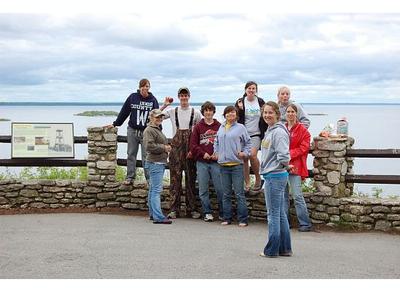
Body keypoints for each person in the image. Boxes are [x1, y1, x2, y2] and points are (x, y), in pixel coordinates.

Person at [107, 79, 167, 185]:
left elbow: (156, 117)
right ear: (139, 87)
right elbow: (124, 111)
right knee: (131, 154)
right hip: (133, 130)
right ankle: (130, 177)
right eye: (143, 86)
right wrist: (115, 123)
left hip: (146, 132)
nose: (145, 88)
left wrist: (159, 132)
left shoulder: (153, 100)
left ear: (149, 87)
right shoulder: (132, 97)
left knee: (147, 156)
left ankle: (149, 178)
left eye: (147, 86)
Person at [162, 87, 202, 219]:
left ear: (189, 97)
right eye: (182, 95)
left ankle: (192, 209)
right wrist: (164, 105)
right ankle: (174, 209)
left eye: (186, 95)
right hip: (176, 149)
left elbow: (202, 127)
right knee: (175, 179)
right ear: (178, 97)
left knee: (191, 179)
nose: (184, 98)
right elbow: (155, 115)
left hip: (190, 149)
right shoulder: (172, 111)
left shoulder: (195, 113)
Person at [259, 101, 292, 257]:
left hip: (275, 176)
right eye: (265, 112)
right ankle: (285, 248)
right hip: (274, 175)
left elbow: (284, 155)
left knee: (273, 214)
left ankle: (271, 250)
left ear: (277, 114)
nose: (267, 115)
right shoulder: (271, 130)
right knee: (280, 214)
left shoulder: (278, 132)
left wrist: (285, 165)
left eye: (270, 112)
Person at [214, 106, 252, 227]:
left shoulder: (241, 128)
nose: (230, 114)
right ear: (224, 114)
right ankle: (227, 218)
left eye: (233, 112)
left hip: (236, 165)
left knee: (239, 193)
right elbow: (217, 142)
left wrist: (244, 153)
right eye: (228, 112)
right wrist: (217, 152)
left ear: (236, 114)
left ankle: (243, 219)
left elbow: (248, 143)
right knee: (226, 194)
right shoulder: (221, 127)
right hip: (223, 165)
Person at [190, 101, 223, 222]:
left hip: (215, 162)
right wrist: (203, 153)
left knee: (220, 189)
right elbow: (193, 145)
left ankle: (222, 212)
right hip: (202, 162)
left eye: (210, 110)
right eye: (206, 110)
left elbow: (223, 143)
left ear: (214, 112)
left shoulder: (219, 126)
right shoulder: (198, 127)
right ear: (203, 112)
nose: (208, 113)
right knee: (203, 189)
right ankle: (207, 212)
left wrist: (217, 154)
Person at [285, 104, 313, 232]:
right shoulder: (282, 128)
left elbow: (304, 148)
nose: (290, 114)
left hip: (296, 166)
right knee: (283, 195)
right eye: (288, 111)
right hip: (281, 166)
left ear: (296, 114)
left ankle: (305, 223)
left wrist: (287, 154)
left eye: (292, 112)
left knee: (297, 196)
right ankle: (285, 222)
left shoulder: (303, 131)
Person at [235, 81, 267, 192]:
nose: (251, 90)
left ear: (256, 90)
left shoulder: (261, 101)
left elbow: (266, 115)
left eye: (253, 88)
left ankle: (258, 179)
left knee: (253, 155)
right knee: (244, 158)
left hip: (256, 134)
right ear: (245, 90)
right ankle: (247, 183)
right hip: (243, 134)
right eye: (249, 88)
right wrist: (239, 109)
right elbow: (234, 117)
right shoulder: (240, 102)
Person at [143, 109, 172, 224]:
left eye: (161, 117)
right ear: (151, 117)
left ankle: (153, 214)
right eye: (157, 117)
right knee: (156, 190)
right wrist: (164, 148)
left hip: (156, 162)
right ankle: (158, 217)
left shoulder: (156, 129)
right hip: (155, 163)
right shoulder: (149, 130)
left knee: (152, 190)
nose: (159, 119)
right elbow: (149, 146)